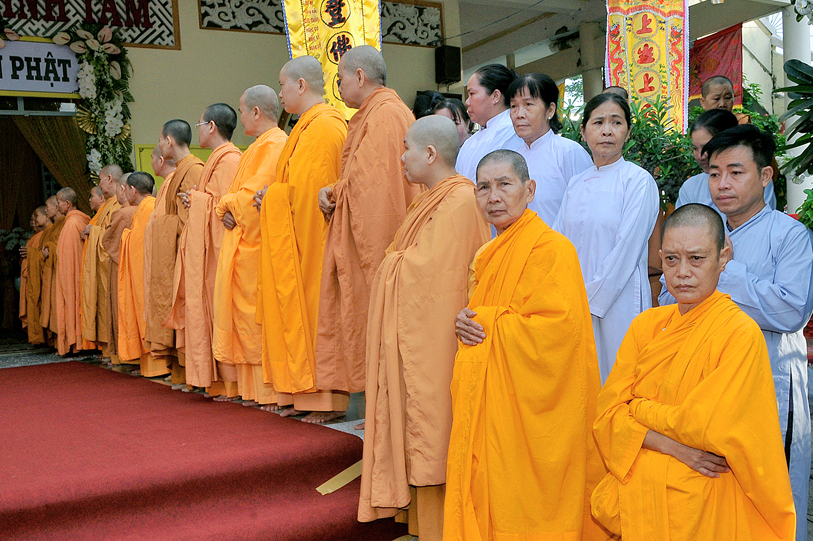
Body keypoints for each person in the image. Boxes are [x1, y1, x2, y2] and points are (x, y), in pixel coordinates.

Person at [593, 203, 796, 540]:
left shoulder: (739, 333)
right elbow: (607, 415)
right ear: (660, 258)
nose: (682, 272)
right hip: (642, 496)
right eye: (672, 259)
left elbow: (703, 427)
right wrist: (671, 445)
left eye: (697, 258)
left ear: (723, 256)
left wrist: (638, 409)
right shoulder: (645, 326)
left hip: (704, 500)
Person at [659, 125, 813, 541]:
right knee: (713, 495)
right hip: (702, 385)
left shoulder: (789, 235)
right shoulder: (702, 233)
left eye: (735, 172)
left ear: (765, 176)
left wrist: (723, 271)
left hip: (769, 383)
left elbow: (790, 310)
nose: (722, 184)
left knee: (773, 492)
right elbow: (668, 301)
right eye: (714, 173)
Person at [446, 149, 607, 540]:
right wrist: (465, 320)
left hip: (539, 413)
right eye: (484, 187)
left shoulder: (553, 250)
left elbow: (558, 334)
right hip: (497, 404)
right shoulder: (487, 254)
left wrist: (486, 322)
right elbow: (484, 314)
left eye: (505, 184)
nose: (494, 197)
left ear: (529, 189)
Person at [359, 116, 490, 539]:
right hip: (427, 332)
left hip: (441, 339)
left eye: (406, 148)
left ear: (430, 154)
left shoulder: (459, 201)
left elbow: (429, 275)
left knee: (435, 423)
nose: (401, 157)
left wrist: (389, 262)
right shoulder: (431, 199)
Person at [315, 45, 422, 409]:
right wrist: (334, 190)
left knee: (384, 320)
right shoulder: (379, 113)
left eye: (340, 79)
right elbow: (361, 178)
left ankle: (387, 413)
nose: (339, 88)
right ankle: (381, 411)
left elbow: (375, 190)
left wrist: (336, 193)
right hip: (378, 234)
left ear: (360, 77)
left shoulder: (385, 116)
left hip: (381, 241)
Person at [254, 57, 348, 420]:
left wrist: (276, 197)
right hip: (298, 236)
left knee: (320, 316)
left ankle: (327, 401)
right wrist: (273, 196)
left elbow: (315, 195)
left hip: (316, 239)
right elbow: (295, 187)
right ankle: (302, 394)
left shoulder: (323, 127)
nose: (280, 93)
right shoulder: (303, 128)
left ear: (301, 85)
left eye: (282, 85)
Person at [553, 93, 659, 383]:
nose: (607, 131)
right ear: (584, 130)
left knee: (616, 379)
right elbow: (557, 244)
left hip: (619, 301)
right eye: (598, 122)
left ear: (628, 131)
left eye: (616, 122)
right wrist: (564, 296)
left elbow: (627, 250)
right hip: (573, 303)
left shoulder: (638, 181)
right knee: (580, 380)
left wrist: (587, 300)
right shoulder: (576, 183)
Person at [212, 85, 287, 406]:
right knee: (242, 315)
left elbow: (252, 197)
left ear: (256, 112)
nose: (240, 117)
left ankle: (266, 391)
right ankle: (249, 389)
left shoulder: (274, 144)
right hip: (244, 245)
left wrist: (225, 205)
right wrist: (229, 206)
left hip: (258, 247)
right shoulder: (258, 146)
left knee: (256, 317)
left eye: (242, 110)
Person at [166, 103, 242, 397]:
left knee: (222, 314)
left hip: (220, 251)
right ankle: (217, 379)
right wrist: (196, 199)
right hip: (208, 250)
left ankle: (231, 382)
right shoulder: (214, 160)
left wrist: (198, 200)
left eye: (199, 124)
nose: (197, 130)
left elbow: (228, 210)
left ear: (211, 127)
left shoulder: (229, 160)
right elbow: (214, 201)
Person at [145, 120, 204, 383]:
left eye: (160, 140)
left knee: (189, 314)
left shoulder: (193, 169)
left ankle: (195, 373)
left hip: (187, 254)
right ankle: (183, 373)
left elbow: (192, 218)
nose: (160, 145)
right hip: (176, 252)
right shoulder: (181, 170)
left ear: (169, 141)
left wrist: (161, 226)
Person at [508, 73, 592, 224]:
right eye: (514, 106)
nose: (519, 114)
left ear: (550, 110)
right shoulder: (512, 158)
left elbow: (587, 209)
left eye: (528, 104)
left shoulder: (569, 152)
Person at [676, 109, 775, 213]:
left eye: (736, 173)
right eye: (695, 148)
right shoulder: (690, 187)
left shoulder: (757, 180)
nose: (701, 156)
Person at [81, 164, 123, 356]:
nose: (99, 183)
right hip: (103, 266)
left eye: (100, 179)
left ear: (109, 179)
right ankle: (109, 350)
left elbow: (115, 235)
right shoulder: (107, 205)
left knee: (113, 306)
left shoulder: (118, 204)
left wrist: (94, 231)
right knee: (105, 307)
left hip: (111, 263)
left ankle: (118, 351)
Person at [455, 64, 522, 181]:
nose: (467, 102)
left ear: (495, 96)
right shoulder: (470, 141)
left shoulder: (511, 130)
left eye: (472, 94)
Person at [54, 188, 91, 355]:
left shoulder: (71, 224)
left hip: (73, 275)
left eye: (59, 202)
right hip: (83, 273)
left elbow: (68, 259)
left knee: (72, 301)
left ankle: (76, 342)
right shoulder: (82, 219)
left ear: (67, 203)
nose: (57, 206)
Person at [20, 207, 49, 345]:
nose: (34, 222)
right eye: (31, 219)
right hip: (30, 277)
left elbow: (46, 255)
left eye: (36, 217)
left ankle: (41, 337)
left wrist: (31, 253)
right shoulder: (34, 237)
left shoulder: (45, 234)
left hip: (38, 277)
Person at [39, 195, 66, 346]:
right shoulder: (55, 226)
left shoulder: (64, 223)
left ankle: (63, 342)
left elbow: (63, 247)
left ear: (56, 207)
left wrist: (49, 248)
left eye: (47, 206)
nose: (46, 210)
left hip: (59, 271)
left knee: (59, 306)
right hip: (52, 271)